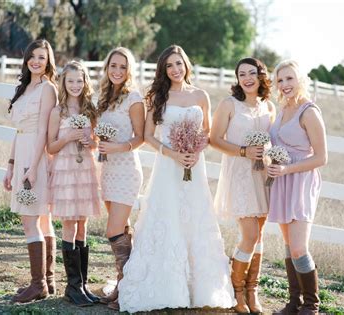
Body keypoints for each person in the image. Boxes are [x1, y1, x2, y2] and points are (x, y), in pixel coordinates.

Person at [118, 45, 235, 313]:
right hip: (168, 167)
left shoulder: (201, 95)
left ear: (186, 65)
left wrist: (195, 151)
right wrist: (173, 154)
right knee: (168, 216)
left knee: (195, 217)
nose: (175, 70)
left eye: (179, 64)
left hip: (195, 165)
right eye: (169, 66)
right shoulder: (158, 97)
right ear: (164, 70)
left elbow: (207, 133)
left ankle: (199, 288)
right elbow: (148, 136)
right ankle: (168, 286)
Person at [211, 57, 276, 314]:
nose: (247, 78)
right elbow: (214, 139)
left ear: (261, 76)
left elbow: (273, 140)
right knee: (249, 234)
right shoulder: (229, 104)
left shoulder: (268, 106)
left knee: (259, 235)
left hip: (264, 176)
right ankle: (236, 291)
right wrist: (243, 151)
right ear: (237, 79)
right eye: (242, 74)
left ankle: (252, 291)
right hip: (239, 173)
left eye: (252, 73)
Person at [267, 60, 327, 314]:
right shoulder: (281, 110)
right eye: (280, 80)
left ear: (300, 79)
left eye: (289, 78)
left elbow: (321, 158)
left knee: (299, 246)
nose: (285, 84)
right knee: (289, 246)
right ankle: (294, 302)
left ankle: (311, 306)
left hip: (300, 181)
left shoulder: (309, 112)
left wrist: (287, 169)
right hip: (281, 182)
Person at [3, 39, 58, 303]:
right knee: (42, 219)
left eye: (42, 58)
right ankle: (47, 280)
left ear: (48, 62)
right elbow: (19, 131)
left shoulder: (48, 89)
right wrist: (11, 165)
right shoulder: (24, 88)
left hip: (36, 158)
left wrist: (33, 168)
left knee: (31, 220)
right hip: (22, 155)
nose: (36, 61)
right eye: (33, 56)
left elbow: (43, 132)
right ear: (26, 58)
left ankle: (38, 285)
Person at [47, 61, 101, 306]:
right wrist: (67, 137)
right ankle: (72, 286)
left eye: (79, 81)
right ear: (63, 83)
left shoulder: (90, 109)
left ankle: (83, 283)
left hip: (86, 168)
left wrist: (90, 142)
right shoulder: (58, 112)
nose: (75, 85)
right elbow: (50, 147)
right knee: (69, 224)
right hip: (66, 169)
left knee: (83, 225)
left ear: (85, 82)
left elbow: (97, 142)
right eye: (70, 81)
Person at [96, 47, 145, 311]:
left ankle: (127, 291)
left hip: (126, 169)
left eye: (122, 67)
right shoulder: (104, 97)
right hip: (107, 170)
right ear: (106, 68)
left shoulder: (134, 98)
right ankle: (125, 284)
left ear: (129, 71)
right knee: (123, 230)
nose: (117, 71)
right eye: (113, 66)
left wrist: (116, 147)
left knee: (113, 230)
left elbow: (141, 137)